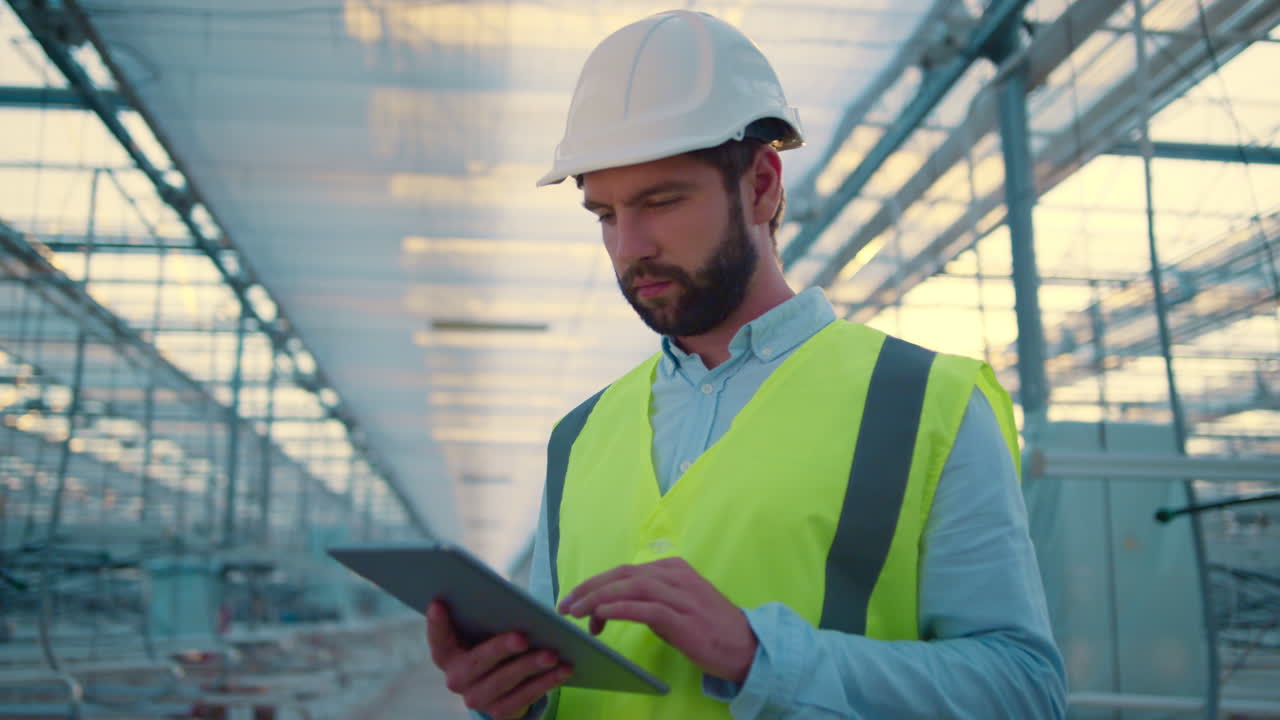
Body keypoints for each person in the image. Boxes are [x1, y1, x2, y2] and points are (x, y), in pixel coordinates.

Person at [426, 9, 1067, 719]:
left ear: (762, 185)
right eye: (604, 213)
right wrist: (514, 700)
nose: (628, 245)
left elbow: (1022, 691)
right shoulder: (579, 438)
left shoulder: (922, 404)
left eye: (661, 200)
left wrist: (762, 655)